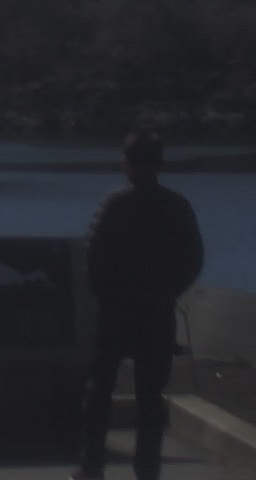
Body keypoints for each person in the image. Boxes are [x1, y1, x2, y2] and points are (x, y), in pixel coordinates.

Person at [73, 130, 203, 480]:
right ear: (160, 164)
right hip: (156, 314)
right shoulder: (177, 206)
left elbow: (93, 259)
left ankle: (91, 467)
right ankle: (147, 471)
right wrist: (167, 292)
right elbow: (193, 259)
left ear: (125, 164)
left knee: (99, 391)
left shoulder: (114, 205)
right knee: (150, 397)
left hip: (115, 314)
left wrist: (107, 296)